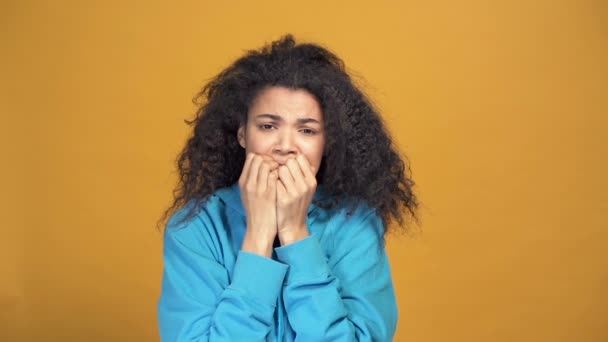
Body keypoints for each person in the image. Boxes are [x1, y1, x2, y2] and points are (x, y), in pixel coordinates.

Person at [157, 34, 418, 341]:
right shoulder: (196, 228)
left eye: (306, 130)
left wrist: (296, 235)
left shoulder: (355, 224)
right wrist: (258, 237)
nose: (285, 146)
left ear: (327, 143)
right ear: (243, 134)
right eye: (268, 126)